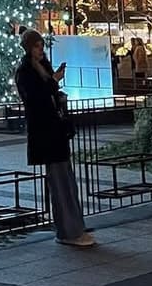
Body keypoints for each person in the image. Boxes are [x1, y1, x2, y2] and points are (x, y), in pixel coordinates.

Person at [15, 29, 94, 248]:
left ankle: (74, 226)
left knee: (66, 180)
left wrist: (55, 86)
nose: (40, 50)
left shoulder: (43, 68)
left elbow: (48, 93)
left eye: (41, 45)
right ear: (28, 48)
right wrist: (53, 81)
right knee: (60, 182)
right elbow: (35, 99)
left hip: (56, 130)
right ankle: (69, 230)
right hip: (45, 133)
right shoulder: (25, 71)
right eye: (36, 46)